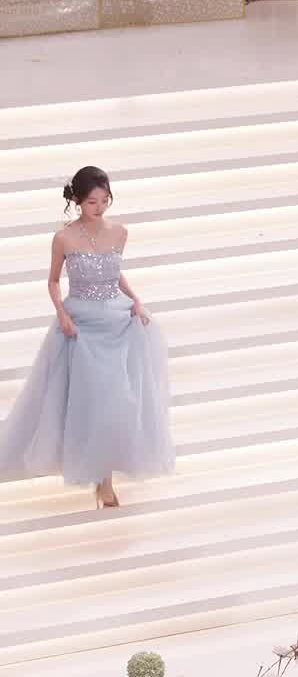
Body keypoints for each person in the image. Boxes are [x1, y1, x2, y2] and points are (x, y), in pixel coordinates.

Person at [0, 166, 173, 508]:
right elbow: (53, 281)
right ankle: (102, 480)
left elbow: (113, 273)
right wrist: (62, 315)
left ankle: (104, 477)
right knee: (90, 403)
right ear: (77, 201)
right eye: (93, 201)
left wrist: (136, 301)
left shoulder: (120, 232)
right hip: (80, 326)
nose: (100, 207)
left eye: (105, 200)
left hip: (117, 322)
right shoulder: (63, 238)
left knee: (119, 401)